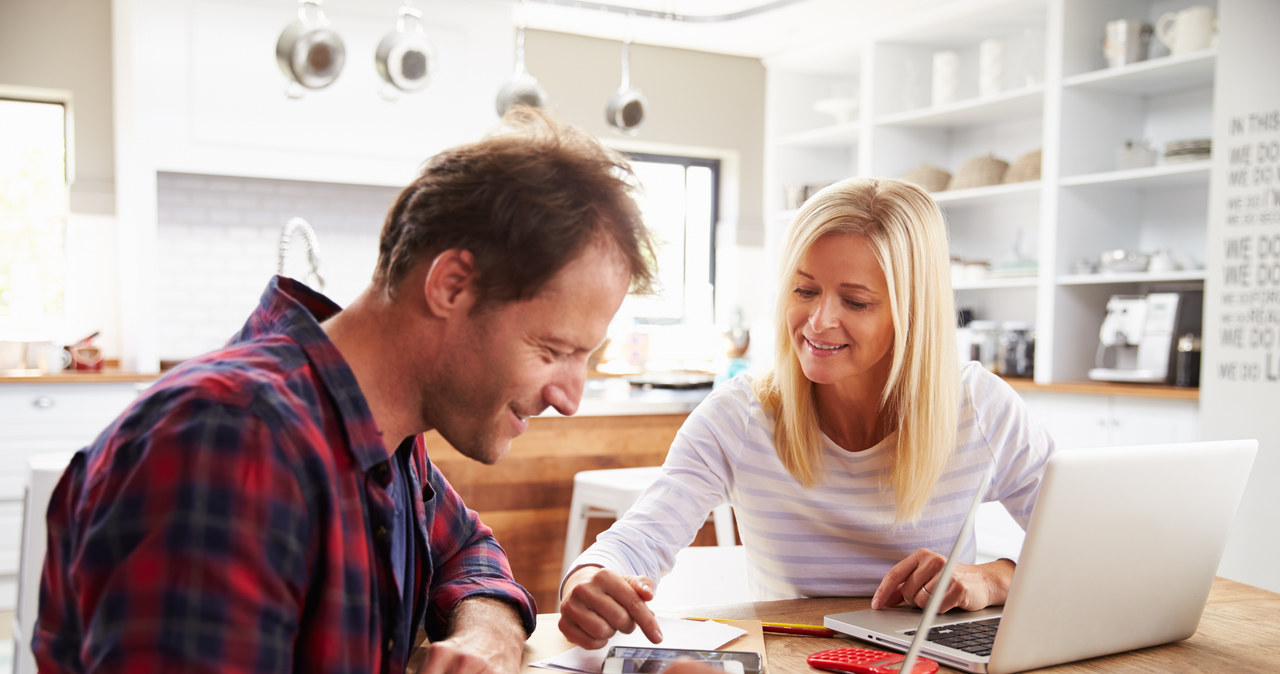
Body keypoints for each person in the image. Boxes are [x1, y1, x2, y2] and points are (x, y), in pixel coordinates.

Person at [35, 107, 656, 674]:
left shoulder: (385, 431)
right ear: (453, 285)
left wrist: (484, 639)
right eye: (552, 350)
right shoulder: (229, 442)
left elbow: (468, 549)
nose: (570, 398)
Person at [557, 177, 1055, 650]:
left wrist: (993, 577)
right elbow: (636, 540)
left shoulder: (980, 408)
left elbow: (1087, 553)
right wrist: (588, 579)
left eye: (856, 302)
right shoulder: (740, 416)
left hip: (928, 661)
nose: (818, 322)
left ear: (913, 313)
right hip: (792, 658)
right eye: (805, 290)